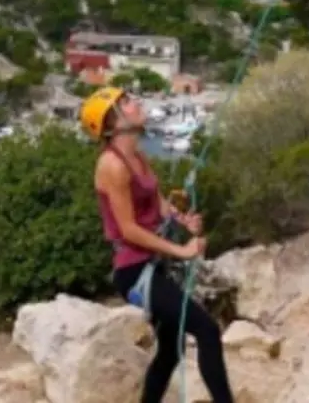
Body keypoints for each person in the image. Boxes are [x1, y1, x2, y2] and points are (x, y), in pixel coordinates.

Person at [81, 86, 236, 403]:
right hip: (135, 271)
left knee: (171, 348)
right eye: (124, 103)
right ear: (112, 122)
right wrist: (182, 250)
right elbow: (128, 230)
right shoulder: (112, 166)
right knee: (206, 331)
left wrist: (181, 220)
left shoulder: (136, 155)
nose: (135, 103)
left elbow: (157, 200)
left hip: (151, 264)